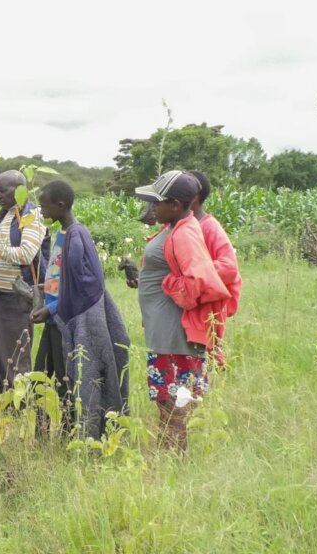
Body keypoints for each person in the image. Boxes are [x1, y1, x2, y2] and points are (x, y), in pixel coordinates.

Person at [135, 170, 230, 451]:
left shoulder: (185, 234)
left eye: (157, 202)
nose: (152, 208)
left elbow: (200, 283)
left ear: (175, 205)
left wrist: (167, 282)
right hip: (165, 333)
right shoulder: (175, 228)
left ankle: (172, 460)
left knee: (174, 403)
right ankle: (170, 457)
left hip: (174, 336)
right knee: (169, 401)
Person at [31, 181, 131, 438]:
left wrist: (51, 309)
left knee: (70, 379)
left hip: (67, 319)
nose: (41, 211)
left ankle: (75, 432)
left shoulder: (77, 235)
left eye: (44, 206)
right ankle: (54, 432)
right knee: (46, 377)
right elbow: (63, 277)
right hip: (57, 318)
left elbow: (83, 285)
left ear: (60, 206)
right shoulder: (61, 233)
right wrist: (45, 288)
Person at [0, 170, 48, 394]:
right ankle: (6, 409)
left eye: (3, 191)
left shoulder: (33, 216)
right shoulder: (4, 216)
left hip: (16, 299)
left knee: (13, 361)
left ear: (21, 190)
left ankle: (19, 413)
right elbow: (0, 254)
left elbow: (26, 254)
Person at [187, 170, 242, 367]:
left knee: (208, 351)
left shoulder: (210, 227)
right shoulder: (183, 225)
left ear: (194, 197)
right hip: (191, 303)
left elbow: (229, 267)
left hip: (207, 304)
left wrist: (193, 277)